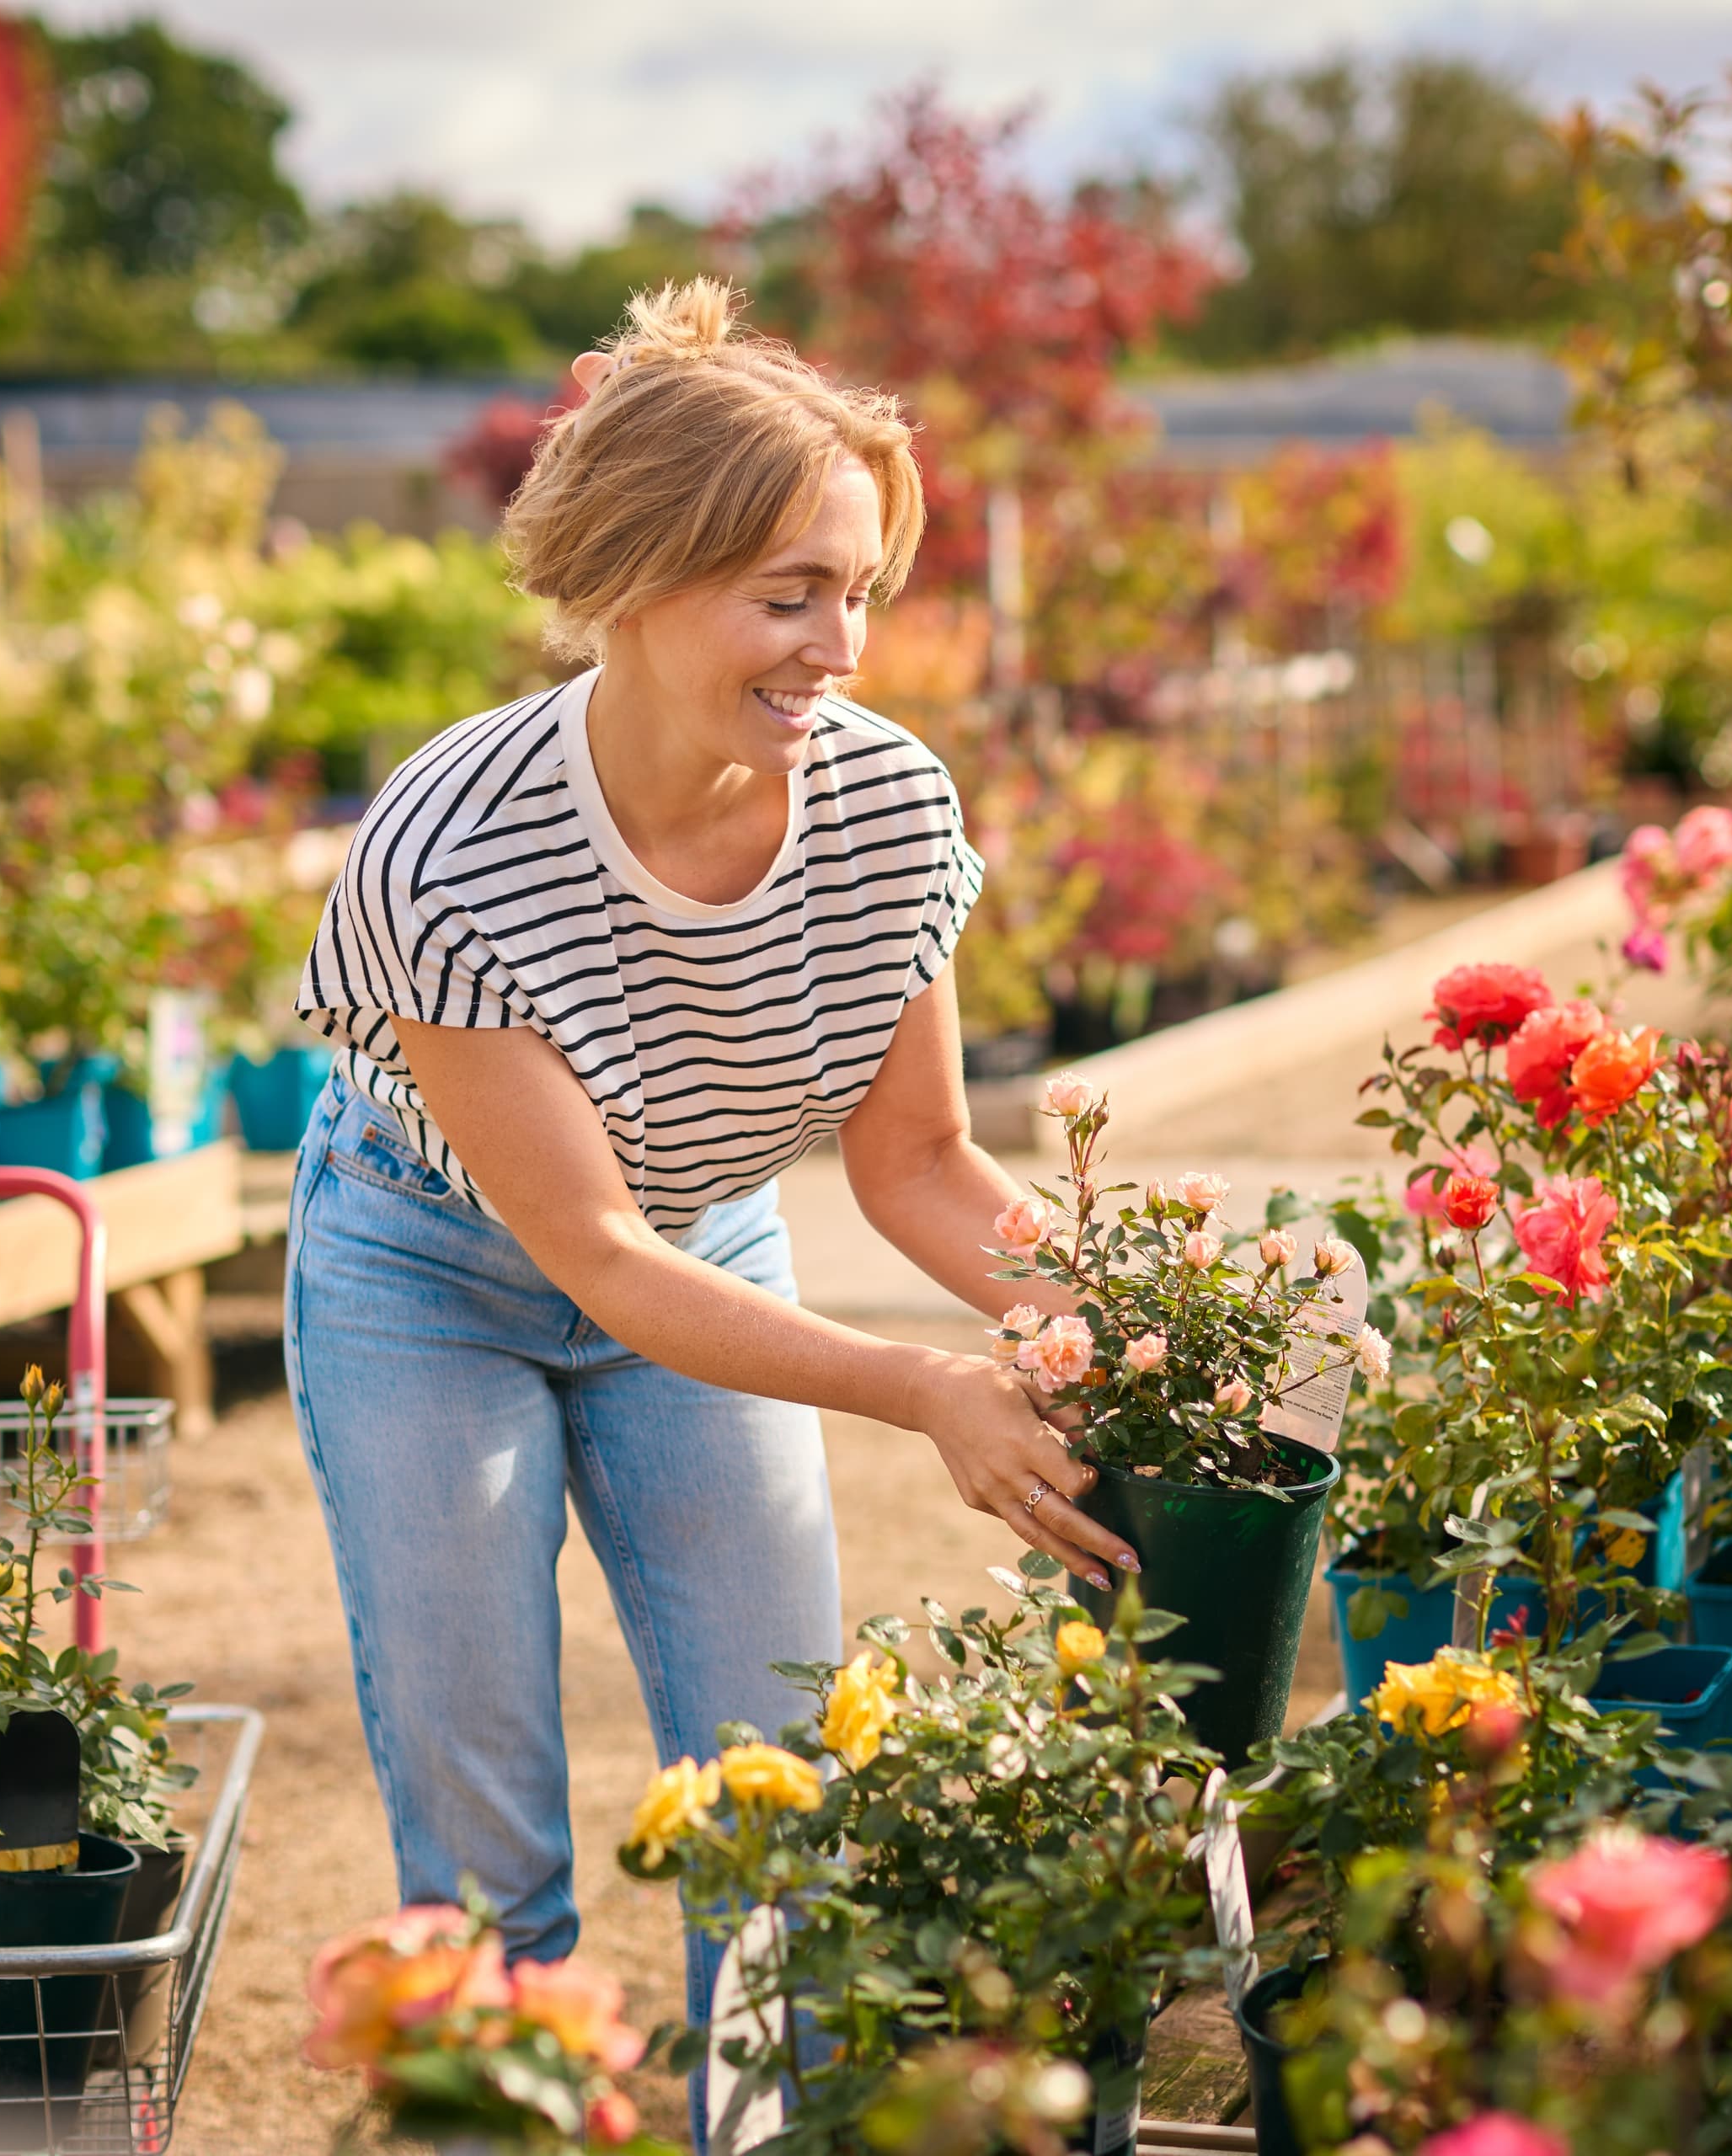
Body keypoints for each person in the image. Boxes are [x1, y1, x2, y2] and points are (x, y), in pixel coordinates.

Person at [283, 279, 1136, 2041]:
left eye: (862, 594)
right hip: (425, 1275)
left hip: (708, 1233)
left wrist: (1143, 1318)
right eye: (792, 595)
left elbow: (916, 1159)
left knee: (783, 1798)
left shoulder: (886, 805)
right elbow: (589, 1253)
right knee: (488, 1857)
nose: (845, 647)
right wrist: (924, 1386)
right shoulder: (446, 847)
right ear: (645, 578)